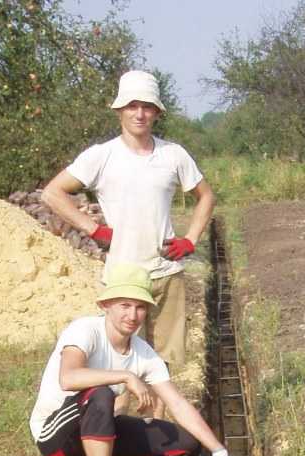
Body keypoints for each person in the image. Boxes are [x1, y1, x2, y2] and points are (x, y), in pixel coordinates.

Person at [29, 264, 233, 456]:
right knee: (101, 393)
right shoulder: (85, 331)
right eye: (124, 305)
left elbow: (177, 404)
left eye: (140, 307)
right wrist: (125, 376)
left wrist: (218, 450)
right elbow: (69, 377)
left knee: (186, 444)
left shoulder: (143, 353)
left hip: (96, 427)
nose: (133, 315)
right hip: (56, 438)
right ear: (106, 305)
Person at [42, 69, 215, 381]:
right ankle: (122, 415)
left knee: (162, 368)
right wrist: (93, 229)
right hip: (123, 277)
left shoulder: (173, 155)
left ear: (157, 112)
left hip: (166, 275)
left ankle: (158, 414)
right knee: (121, 365)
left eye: (147, 107)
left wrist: (190, 239)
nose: (139, 114)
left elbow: (206, 196)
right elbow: (53, 193)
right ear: (119, 110)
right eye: (132, 106)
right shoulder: (101, 156)